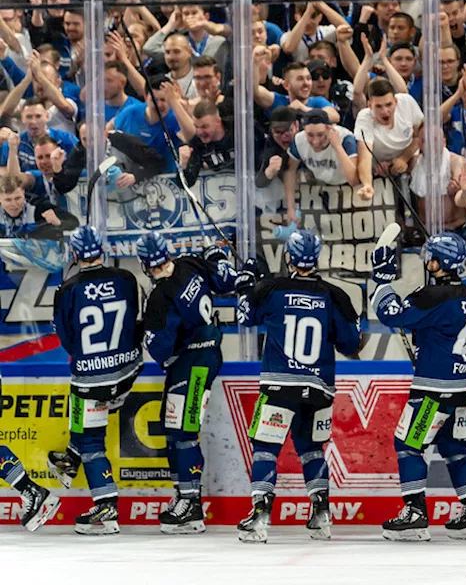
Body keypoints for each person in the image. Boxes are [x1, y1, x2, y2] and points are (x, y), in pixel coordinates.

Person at [235, 230, 363, 543]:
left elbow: (245, 317)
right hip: (319, 388)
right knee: (311, 448)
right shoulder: (335, 295)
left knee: (266, 447)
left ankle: (260, 515)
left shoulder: (272, 288)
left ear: (289, 257)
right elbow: (351, 343)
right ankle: (322, 515)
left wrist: (245, 285)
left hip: (280, 386)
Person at [371, 232, 466, 542]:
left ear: (436, 262)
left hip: (433, 391)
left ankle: (415, 513)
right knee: (453, 447)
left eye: (429, 257)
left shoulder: (431, 295)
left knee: (408, 446)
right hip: (464, 389)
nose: (426, 261)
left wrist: (382, 281)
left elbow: (390, 314)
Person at [138, 232, 238, 534]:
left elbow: (159, 348)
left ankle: (192, 505)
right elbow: (225, 281)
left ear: (145, 264)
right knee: (172, 426)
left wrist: (142, 329)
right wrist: (217, 256)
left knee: (184, 430)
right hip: (202, 357)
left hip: (194, 362)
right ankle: (184, 494)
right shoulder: (190, 263)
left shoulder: (159, 297)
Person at [47, 227, 143, 535]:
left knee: (92, 439)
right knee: (89, 417)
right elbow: (134, 317)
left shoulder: (67, 289)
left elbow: (66, 338)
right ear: (101, 251)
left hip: (92, 378)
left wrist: (90, 358)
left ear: (75, 255)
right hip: (128, 372)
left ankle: (106, 509)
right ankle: (71, 458)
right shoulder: (126, 279)